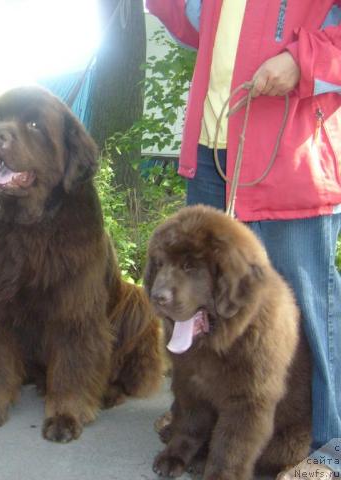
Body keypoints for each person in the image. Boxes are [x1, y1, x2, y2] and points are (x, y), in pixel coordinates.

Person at [146, 0, 341, 477]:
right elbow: (192, 24)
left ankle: (331, 444)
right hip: (214, 143)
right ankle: (200, 418)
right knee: (201, 306)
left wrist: (302, 59)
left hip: (290, 150)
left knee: (309, 304)